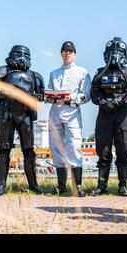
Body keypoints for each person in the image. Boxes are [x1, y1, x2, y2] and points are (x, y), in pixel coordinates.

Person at [0, 45, 45, 196]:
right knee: (4, 149)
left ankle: (33, 185)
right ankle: (1, 186)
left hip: (26, 115)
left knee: (29, 151)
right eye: (19, 54)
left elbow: (42, 95)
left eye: (25, 55)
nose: (22, 57)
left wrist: (28, 95)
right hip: (6, 114)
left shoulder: (35, 76)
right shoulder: (2, 73)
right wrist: (10, 93)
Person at [90, 37, 127, 197]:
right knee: (103, 150)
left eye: (118, 53)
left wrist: (116, 102)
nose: (114, 56)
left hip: (122, 114)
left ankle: (122, 185)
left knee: (124, 148)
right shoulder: (99, 72)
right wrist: (103, 103)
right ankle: (101, 185)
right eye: (111, 53)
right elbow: (93, 92)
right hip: (104, 113)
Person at [46, 41, 91, 197]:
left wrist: (70, 97)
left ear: (75, 54)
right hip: (55, 110)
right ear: (61, 54)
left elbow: (86, 95)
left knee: (74, 146)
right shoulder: (54, 73)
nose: (68, 53)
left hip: (72, 111)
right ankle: (61, 185)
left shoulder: (83, 72)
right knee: (55, 146)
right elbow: (49, 90)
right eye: (65, 51)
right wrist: (49, 96)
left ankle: (77, 185)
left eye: (70, 51)